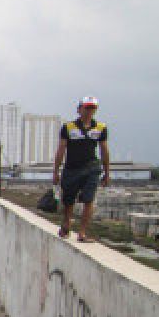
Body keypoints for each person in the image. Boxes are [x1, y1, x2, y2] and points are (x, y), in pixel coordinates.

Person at [52, 96, 110, 242]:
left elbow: (104, 150)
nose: (89, 111)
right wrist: (56, 171)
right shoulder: (68, 128)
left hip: (91, 168)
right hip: (71, 168)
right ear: (79, 109)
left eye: (92, 108)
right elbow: (61, 150)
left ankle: (82, 232)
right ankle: (66, 224)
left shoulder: (100, 128)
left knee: (89, 199)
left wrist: (107, 171)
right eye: (86, 108)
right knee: (68, 200)